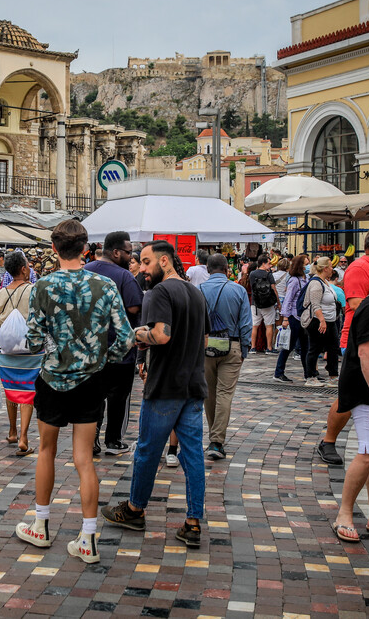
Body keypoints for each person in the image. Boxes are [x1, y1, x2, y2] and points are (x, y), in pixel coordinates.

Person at [15, 219, 134, 564]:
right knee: (84, 459)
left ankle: (40, 524)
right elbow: (126, 338)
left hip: (53, 379)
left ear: (54, 249)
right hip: (91, 380)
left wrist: (55, 348)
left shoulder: (43, 287)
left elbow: (34, 340)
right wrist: (101, 358)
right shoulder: (105, 285)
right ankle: (88, 537)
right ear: (86, 249)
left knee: (47, 451)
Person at [102, 239, 209, 549]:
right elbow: (202, 341)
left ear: (165, 262)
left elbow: (161, 334)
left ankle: (135, 509)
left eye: (147, 262)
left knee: (147, 450)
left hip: (165, 387)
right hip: (193, 384)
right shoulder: (195, 293)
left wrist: (137, 335)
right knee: (193, 455)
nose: (143, 269)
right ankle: (192, 522)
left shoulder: (160, 292)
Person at [317, 234, 369, 464]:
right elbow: (354, 302)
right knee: (350, 395)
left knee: (357, 394)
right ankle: (329, 441)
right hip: (356, 339)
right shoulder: (360, 267)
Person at [333, 259, 369, 542]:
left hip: (368, 389)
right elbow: (366, 354)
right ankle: (344, 513)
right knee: (368, 453)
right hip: (364, 390)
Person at [85, 231, 143, 456]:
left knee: (93, 397)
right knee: (118, 398)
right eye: (128, 252)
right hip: (119, 351)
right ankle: (113, 441)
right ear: (116, 251)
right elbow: (134, 308)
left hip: (90, 350)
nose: (131, 257)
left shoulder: (85, 271)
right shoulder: (124, 276)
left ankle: (92, 439)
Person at [0, 251, 41, 456]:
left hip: (3, 348)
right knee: (27, 391)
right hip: (30, 350)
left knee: (10, 388)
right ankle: (25, 437)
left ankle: (12, 431)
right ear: (24, 269)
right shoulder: (35, 291)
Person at [199, 253, 252, 460]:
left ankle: (215, 437)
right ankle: (216, 440)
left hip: (204, 346)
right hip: (232, 345)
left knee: (209, 394)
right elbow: (246, 322)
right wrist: (244, 349)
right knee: (225, 394)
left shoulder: (198, 290)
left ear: (208, 269)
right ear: (226, 269)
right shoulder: (237, 290)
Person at [301, 257, 339, 386]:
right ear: (325, 268)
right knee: (315, 348)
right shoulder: (316, 283)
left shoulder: (325, 282)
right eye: (331, 266)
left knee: (333, 348)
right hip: (318, 321)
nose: (332, 269)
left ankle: (333, 376)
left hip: (330, 320)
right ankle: (310, 377)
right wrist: (322, 320)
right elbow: (315, 304)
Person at [274, 254, 310, 383]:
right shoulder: (294, 280)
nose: (308, 266)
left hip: (303, 317)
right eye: (306, 264)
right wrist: (285, 318)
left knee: (305, 347)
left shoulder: (306, 279)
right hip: (294, 316)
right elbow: (288, 300)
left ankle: (309, 373)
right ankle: (278, 372)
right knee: (288, 346)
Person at [249, 255, 279, 354]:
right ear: (263, 263)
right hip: (268, 304)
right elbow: (274, 289)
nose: (270, 265)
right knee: (269, 326)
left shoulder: (252, 274)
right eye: (268, 263)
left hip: (255, 303)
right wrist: (278, 302)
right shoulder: (268, 275)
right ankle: (269, 348)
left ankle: (253, 347)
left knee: (255, 326)